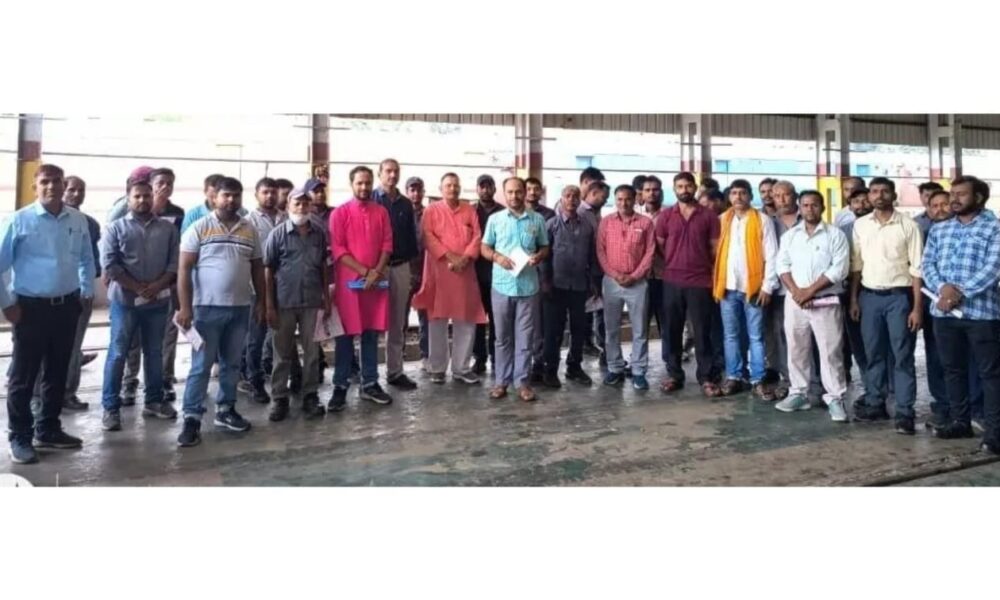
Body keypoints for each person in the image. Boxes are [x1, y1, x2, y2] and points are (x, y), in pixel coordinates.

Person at [0, 164, 95, 464]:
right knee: (23, 377)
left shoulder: (77, 220)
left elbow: (86, 257)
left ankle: (49, 428)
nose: (51, 186)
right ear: (35, 186)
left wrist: (86, 290)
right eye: (45, 181)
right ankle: (20, 436)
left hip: (66, 307)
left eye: (56, 181)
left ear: (63, 185)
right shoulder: (19, 220)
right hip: (30, 309)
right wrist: (7, 304)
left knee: (57, 372)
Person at [175, 177, 265, 447]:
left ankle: (226, 410)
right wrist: (185, 307)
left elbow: (258, 268)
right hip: (206, 310)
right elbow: (184, 269)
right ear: (214, 197)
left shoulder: (249, 229)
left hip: (240, 309)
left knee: (232, 364)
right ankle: (192, 418)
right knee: (201, 366)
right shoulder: (199, 227)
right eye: (226, 195)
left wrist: (262, 302)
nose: (231, 200)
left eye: (236, 195)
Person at [922, 175, 1000, 455]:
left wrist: (959, 292)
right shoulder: (940, 229)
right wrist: (942, 288)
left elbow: (994, 267)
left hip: (982, 314)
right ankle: (960, 422)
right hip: (944, 314)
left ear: (978, 197)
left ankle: (995, 434)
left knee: (990, 374)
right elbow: (927, 263)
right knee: (953, 370)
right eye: (952, 193)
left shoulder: (994, 227)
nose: (954, 199)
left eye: (961, 194)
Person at [99, 179, 179, 431]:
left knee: (154, 352)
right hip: (125, 302)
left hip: (157, 302)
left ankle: (153, 401)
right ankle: (111, 408)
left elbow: (174, 264)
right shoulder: (115, 228)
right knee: (118, 353)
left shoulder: (168, 229)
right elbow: (110, 265)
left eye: (147, 195)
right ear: (128, 199)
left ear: (153, 197)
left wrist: (156, 286)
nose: (143, 200)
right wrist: (137, 287)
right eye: (137, 196)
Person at [849, 177, 923, 435]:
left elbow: (917, 270)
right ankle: (875, 403)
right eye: (874, 191)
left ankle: (904, 412)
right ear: (869, 196)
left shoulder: (908, 226)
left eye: (884, 191)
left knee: (902, 356)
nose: (879, 195)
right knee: (873, 354)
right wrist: (854, 299)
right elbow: (856, 266)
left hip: (899, 298)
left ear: (893, 195)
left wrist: (916, 308)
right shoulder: (861, 225)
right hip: (869, 297)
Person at [773, 191, 850, 421]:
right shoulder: (790, 236)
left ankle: (835, 398)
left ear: (823, 207)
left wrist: (810, 291)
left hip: (825, 301)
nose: (810, 209)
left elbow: (839, 269)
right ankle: (798, 393)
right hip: (795, 301)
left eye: (814, 205)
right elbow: (782, 266)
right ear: (800, 208)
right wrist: (797, 292)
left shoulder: (835, 235)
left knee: (830, 351)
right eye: (805, 205)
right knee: (796, 348)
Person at [29, 175, 100, 412]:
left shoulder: (89, 224)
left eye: (81, 190)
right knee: (42, 347)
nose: (76, 194)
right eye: (72, 189)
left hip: (79, 295)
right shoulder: (39, 221)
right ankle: (37, 395)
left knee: (73, 346)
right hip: (47, 295)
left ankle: (68, 393)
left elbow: (90, 259)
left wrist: (87, 289)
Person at [328, 166, 395, 410]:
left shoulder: (381, 212)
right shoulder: (340, 213)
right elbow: (338, 249)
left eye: (367, 183)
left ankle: (370, 383)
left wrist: (376, 272)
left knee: (370, 334)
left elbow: (387, 244)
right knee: (345, 336)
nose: (364, 187)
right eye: (359, 183)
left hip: (375, 285)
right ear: (351, 184)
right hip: (349, 287)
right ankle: (340, 385)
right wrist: (366, 272)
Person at [119, 167, 187, 405]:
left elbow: (177, 252)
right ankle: (129, 381)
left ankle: (164, 381)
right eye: (160, 183)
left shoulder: (177, 214)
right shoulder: (125, 212)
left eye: (170, 183)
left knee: (165, 337)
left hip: (165, 286)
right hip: (131, 289)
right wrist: (132, 284)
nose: (165, 187)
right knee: (133, 338)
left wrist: (166, 282)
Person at [411, 173, 487, 384]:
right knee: (437, 319)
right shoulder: (431, 210)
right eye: (448, 185)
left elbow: (477, 237)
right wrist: (451, 257)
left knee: (466, 319)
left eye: (455, 185)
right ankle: (437, 368)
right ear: (441, 189)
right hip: (439, 271)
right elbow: (428, 236)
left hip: (465, 272)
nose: (452, 188)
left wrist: (465, 259)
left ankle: (462, 368)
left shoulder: (469, 210)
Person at [480, 177, 550, 402]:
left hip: (528, 288)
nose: (514, 196)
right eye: (510, 192)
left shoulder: (537, 219)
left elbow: (545, 246)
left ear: (524, 192)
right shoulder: (495, 219)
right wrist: (496, 257)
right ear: (504, 193)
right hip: (502, 286)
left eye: (518, 191)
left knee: (525, 338)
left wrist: (539, 256)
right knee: (502, 337)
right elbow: (484, 247)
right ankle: (501, 381)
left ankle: (523, 383)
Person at [264, 187, 330, 422]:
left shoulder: (319, 234)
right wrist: (269, 306)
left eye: (305, 203)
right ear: (288, 206)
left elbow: (323, 267)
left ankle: (310, 395)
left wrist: (326, 299)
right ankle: (279, 397)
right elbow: (268, 270)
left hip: (312, 301)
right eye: (297, 203)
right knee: (282, 353)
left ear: (311, 206)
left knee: (312, 352)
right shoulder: (277, 235)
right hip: (284, 302)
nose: (301, 208)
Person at [657, 173, 723, 397]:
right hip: (672, 281)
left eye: (688, 186)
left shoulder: (708, 216)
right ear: (674, 189)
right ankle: (674, 374)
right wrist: (675, 262)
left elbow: (714, 248)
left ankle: (706, 377)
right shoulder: (666, 216)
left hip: (701, 281)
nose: (684, 190)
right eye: (680, 186)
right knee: (671, 330)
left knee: (703, 330)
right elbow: (660, 246)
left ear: (695, 188)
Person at [713, 179, 779, 400]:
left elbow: (772, 255)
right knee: (731, 335)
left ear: (750, 196)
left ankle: (757, 379)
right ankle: (734, 376)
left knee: (756, 336)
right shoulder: (722, 220)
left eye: (742, 193)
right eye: (734, 193)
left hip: (754, 288)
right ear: (729, 197)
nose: (738, 197)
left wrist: (767, 286)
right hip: (727, 287)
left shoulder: (762, 220)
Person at [596, 184, 656, 390]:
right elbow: (600, 251)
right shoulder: (606, 222)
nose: (624, 203)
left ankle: (638, 371)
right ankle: (615, 368)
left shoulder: (646, 223)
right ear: (615, 200)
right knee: (611, 328)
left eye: (628, 199)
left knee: (639, 329)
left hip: (637, 283)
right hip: (611, 282)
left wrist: (635, 276)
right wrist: (615, 275)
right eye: (620, 199)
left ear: (635, 199)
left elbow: (650, 252)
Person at [540, 185, 598, 388]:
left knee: (579, 329)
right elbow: (544, 256)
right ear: (561, 199)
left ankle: (574, 367)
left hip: (579, 286)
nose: (571, 199)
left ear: (580, 200)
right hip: (555, 286)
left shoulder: (587, 226)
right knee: (553, 331)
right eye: (567, 196)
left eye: (575, 196)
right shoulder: (551, 225)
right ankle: (550, 370)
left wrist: (593, 281)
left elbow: (591, 256)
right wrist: (545, 281)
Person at [374, 158, 420, 390]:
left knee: (397, 321)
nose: (392, 175)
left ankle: (395, 372)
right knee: (372, 321)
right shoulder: (371, 199)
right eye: (388, 171)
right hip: (376, 270)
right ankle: (369, 375)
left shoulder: (405, 204)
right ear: (379, 173)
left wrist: (412, 271)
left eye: (396, 171)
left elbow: (412, 237)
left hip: (401, 267)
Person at [240, 177, 283, 404]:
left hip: (284, 287)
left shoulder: (287, 217)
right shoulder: (248, 222)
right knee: (255, 337)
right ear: (256, 194)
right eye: (265, 192)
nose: (270, 196)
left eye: (273, 192)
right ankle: (254, 380)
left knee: (282, 334)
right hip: (256, 288)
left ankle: (285, 378)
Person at [763, 181, 801, 396]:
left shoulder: (807, 218)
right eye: (777, 196)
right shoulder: (767, 223)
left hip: (805, 289)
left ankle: (810, 381)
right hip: (777, 289)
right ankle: (786, 379)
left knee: (804, 337)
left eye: (786, 195)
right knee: (778, 335)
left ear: (794, 195)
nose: (781, 199)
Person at [472, 174, 503, 374]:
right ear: (477, 189)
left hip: (498, 273)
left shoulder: (503, 212)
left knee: (497, 318)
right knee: (477, 318)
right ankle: (479, 359)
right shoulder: (470, 211)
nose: (485, 190)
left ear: (494, 189)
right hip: (474, 273)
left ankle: (496, 357)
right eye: (481, 186)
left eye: (488, 186)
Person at [405, 176, 430, 368]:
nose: (415, 194)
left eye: (418, 190)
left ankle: (426, 356)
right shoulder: (401, 212)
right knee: (400, 317)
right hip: (405, 271)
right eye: (412, 190)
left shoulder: (430, 213)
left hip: (426, 270)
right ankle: (397, 356)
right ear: (407, 192)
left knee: (426, 317)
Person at [641, 176, 666, 340]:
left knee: (666, 321)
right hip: (640, 278)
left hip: (664, 276)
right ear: (642, 193)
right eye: (647, 190)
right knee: (641, 321)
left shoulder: (670, 215)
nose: (651, 193)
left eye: (655, 190)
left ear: (661, 192)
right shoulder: (635, 215)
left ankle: (669, 354)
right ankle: (639, 354)